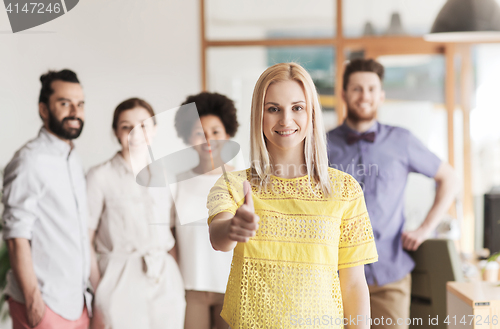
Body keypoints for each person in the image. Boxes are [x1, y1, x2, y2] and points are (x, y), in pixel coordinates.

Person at [207, 62, 378, 329]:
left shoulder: (344, 189)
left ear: (311, 114)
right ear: (259, 115)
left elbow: (354, 284)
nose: (286, 120)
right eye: (273, 109)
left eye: (297, 108)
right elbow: (219, 239)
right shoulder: (234, 183)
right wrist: (233, 228)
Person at [326, 58, 459, 329]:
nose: (365, 96)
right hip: (334, 277)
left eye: (372, 89)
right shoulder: (321, 145)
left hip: (390, 277)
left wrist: (425, 228)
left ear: (382, 95)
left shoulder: (402, 140)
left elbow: (450, 178)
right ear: (343, 94)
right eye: (357, 89)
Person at [2, 69, 91, 329]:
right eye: (65, 103)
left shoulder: (73, 159)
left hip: (76, 303)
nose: (75, 111)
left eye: (80, 104)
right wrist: (33, 303)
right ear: (44, 109)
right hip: (44, 304)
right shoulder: (29, 160)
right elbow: (16, 236)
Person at [86, 98, 185, 329]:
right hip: (119, 278)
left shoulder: (167, 176)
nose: (135, 133)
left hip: (164, 278)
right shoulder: (100, 176)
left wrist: (175, 270)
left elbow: (172, 232)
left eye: (143, 125)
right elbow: (85, 238)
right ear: (115, 133)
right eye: (126, 127)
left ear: (155, 129)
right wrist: (100, 289)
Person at [172, 92, 239, 329]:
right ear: (188, 137)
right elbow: (170, 238)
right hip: (191, 286)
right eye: (200, 133)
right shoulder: (177, 182)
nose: (208, 140)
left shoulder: (242, 181)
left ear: (228, 134)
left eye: (215, 132)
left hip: (233, 286)